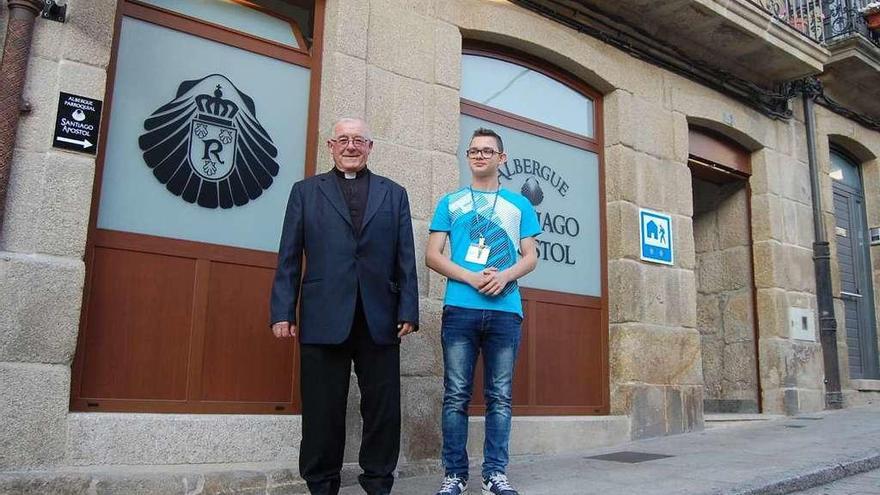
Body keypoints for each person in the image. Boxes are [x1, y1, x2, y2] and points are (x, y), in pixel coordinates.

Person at [270, 117, 419, 495]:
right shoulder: (304, 192)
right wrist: (283, 311)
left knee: (383, 409)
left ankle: (378, 481)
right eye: (343, 140)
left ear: (370, 148)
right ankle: (321, 484)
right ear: (330, 146)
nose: (351, 147)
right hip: (323, 314)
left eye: (359, 140)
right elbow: (289, 255)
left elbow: (405, 257)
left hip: (380, 317)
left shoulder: (394, 193)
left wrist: (408, 310)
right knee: (323, 408)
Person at [425, 128, 540, 495]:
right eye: (473, 150)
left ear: (501, 158)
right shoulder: (450, 202)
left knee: (500, 396)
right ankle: (454, 475)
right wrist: (472, 278)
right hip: (460, 308)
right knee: (456, 394)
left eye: (487, 151)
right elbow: (432, 255)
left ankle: (495, 474)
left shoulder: (519, 205)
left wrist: (504, 275)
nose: (479, 156)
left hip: (506, 310)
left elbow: (531, 256)